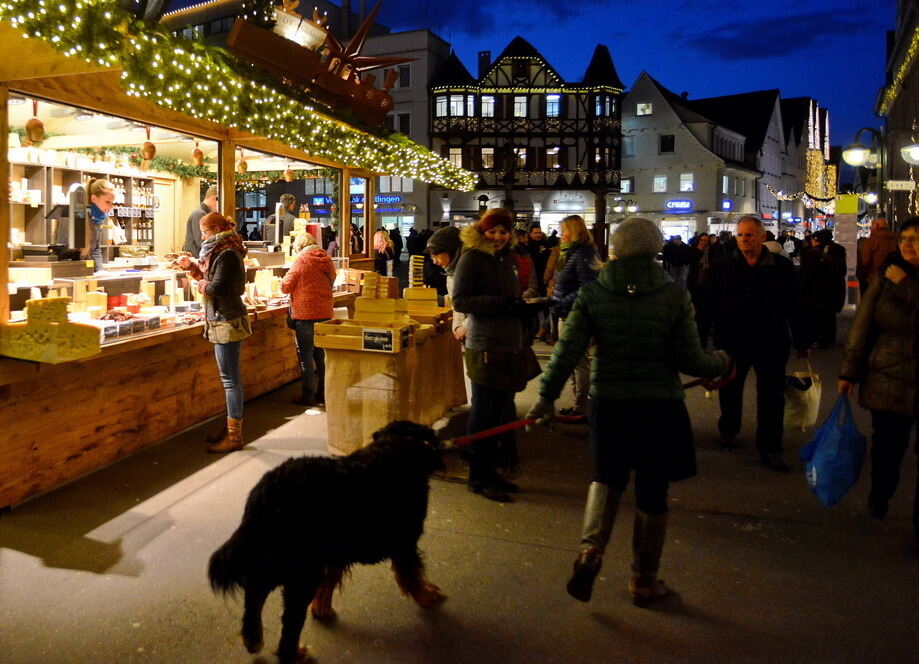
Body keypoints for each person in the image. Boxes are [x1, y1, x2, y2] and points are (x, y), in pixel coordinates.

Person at [526, 217, 733, 605]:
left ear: (615, 249)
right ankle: (643, 580)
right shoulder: (673, 295)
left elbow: (567, 352)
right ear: (656, 249)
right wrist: (721, 362)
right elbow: (690, 358)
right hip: (659, 405)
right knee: (653, 489)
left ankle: (590, 551)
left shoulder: (594, 294)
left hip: (609, 402)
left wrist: (544, 399)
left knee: (607, 478)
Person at [839, 217, 919, 540]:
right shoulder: (886, 277)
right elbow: (863, 327)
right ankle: (880, 494)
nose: (908, 244)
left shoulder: (898, 280)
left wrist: (907, 288)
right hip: (888, 375)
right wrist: (848, 372)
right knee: (888, 450)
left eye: (915, 238)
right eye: (905, 239)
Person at [708, 216, 809, 471]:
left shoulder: (781, 268)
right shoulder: (723, 266)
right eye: (740, 235)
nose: (744, 240)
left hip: (770, 339)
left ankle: (771, 447)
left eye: (750, 235)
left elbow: (795, 305)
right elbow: (710, 304)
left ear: (762, 237)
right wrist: (710, 338)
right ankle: (729, 430)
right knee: (730, 388)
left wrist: (802, 340)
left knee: (771, 395)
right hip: (733, 339)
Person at [452, 208, 529, 503]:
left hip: (508, 343)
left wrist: (522, 307)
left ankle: (492, 471)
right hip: (484, 345)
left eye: (503, 231)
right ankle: (477, 477)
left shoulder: (507, 257)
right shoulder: (472, 257)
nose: (498, 237)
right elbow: (461, 299)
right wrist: (502, 304)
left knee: (501, 411)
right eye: (492, 231)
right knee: (483, 413)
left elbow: (513, 297)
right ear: (482, 231)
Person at [178, 212, 251, 453]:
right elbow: (212, 279)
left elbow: (217, 287)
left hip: (226, 320)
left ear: (218, 229)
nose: (201, 236)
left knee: (231, 381)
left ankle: (234, 436)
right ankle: (230, 425)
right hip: (221, 317)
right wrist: (192, 268)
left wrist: (199, 284)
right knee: (229, 379)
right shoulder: (220, 250)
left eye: (205, 231)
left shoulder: (227, 253)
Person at [551, 215, 602, 416]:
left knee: (578, 361)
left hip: (575, 316)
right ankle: (578, 403)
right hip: (567, 313)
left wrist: (561, 303)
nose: (561, 235)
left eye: (564, 231)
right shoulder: (573, 253)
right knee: (573, 361)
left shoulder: (583, 254)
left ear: (574, 232)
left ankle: (582, 406)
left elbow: (587, 287)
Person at [281, 231, 336, 407]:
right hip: (325, 313)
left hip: (306, 315)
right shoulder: (326, 259)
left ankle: (308, 395)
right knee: (321, 356)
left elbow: (285, 286)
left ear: (299, 247)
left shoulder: (302, 261)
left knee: (305, 356)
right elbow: (332, 280)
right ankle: (323, 392)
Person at [800, 229, 847, 348]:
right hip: (834, 290)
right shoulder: (837, 251)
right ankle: (828, 340)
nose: (811, 241)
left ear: (817, 240)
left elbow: (807, 274)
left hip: (816, 290)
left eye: (813, 239)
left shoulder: (813, 253)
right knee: (829, 316)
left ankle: (816, 339)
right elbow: (842, 271)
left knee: (815, 315)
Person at [856, 218, 899, 294]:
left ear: (877, 226)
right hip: (895, 279)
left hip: (873, 281)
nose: (870, 228)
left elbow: (864, 263)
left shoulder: (870, 242)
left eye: (872, 225)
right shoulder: (897, 240)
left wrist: (861, 278)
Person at [81, 178, 115, 271]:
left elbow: (96, 249)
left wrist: (100, 272)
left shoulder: (99, 219)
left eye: (112, 203)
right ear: (94, 199)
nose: (111, 207)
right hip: (74, 270)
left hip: (88, 270)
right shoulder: (79, 217)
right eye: (107, 202)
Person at [182, 185, 218, 255]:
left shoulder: (201, 213)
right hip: (195, 256)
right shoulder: (199, 214)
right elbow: (201, 241)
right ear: (213, 198)